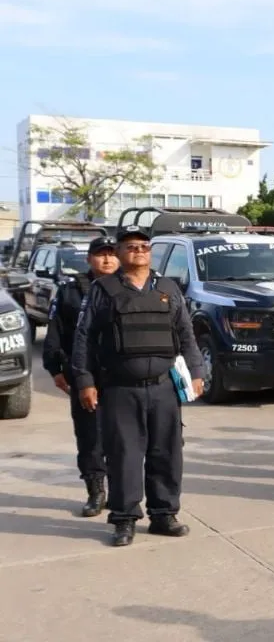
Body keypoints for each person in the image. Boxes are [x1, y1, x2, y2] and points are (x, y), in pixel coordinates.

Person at [70, 225, 205, 547]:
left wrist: (197, 371)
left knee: (167, 454)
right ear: (119, 252)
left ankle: (163, 514)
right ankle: (124, 519)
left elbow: (186, 333)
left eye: (144, 246)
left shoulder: (167, 288)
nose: (139, 251)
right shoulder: (103, 289)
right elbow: (84, 338)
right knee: (124, 456)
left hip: (163, 388)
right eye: (131, 246)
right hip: (120, 388)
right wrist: (85, 381)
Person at [44, 235, 117, 517]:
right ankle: (96, 490)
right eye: (101, 254)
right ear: (89, 259)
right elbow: (55, 332)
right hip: (84, 373)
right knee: (90, 437)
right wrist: (55, 369)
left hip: (120, 375)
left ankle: (121, 491)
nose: (107, 259)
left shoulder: (130, 286)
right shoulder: (71, 291)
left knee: (122, 436)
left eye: (112, 253)